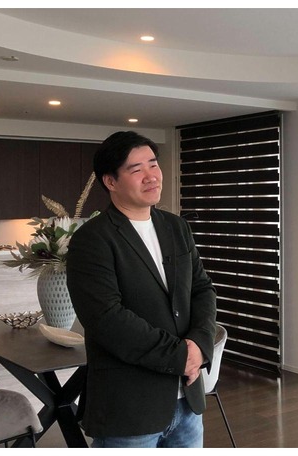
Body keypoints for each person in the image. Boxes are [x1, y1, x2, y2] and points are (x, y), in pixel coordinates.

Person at [66, 131, 217, 448]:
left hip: (187, 402)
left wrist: (200, 347)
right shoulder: (93, 239)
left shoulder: (176, 227)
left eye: (153, 164)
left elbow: (201, 290)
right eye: (136, 169)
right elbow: (107, 319)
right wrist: (181, 356)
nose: (151, 176)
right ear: (110, 181)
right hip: (129, 409)